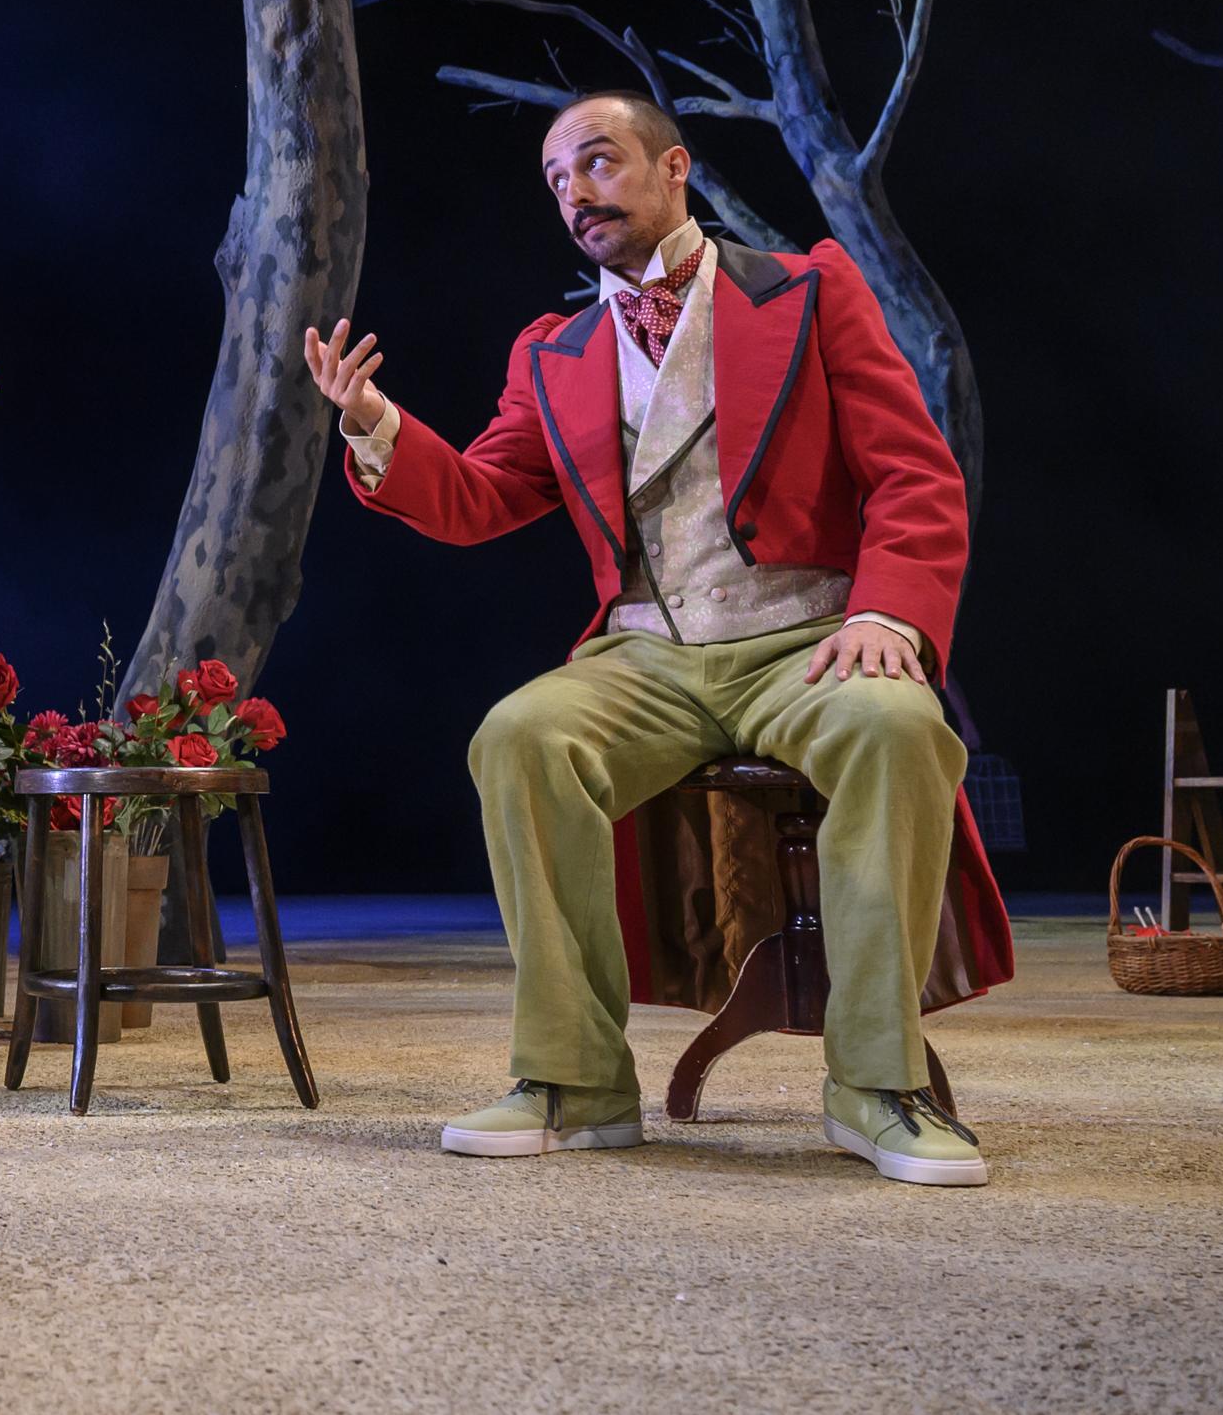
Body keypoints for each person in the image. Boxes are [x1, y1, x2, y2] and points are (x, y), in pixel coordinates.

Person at [304, 90, 1012, 1187]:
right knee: (522, 734)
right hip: (649, 651)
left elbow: (913, 472)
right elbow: (486, 494)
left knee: (899, 726)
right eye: (555, 179)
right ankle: (578, 1081)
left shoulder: (807, 289)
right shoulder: (560, 348)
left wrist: (886, 615)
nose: (575, 192)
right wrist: (374, 427)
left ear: (673, 166)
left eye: (597, 162)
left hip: (803, 634)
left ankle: (875, 1082)